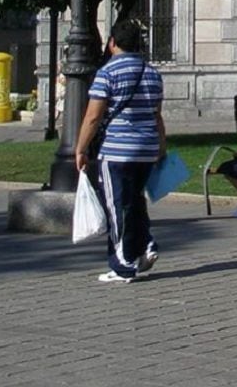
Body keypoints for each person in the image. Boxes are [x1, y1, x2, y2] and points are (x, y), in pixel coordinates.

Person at [75, 18, 165, 284]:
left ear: (112, 43)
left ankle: (123, 263)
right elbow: (157, 115)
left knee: (116, 205)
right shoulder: (152, 73)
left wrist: (81, 148)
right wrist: (161, 146)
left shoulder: (108, 72)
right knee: (135, 201)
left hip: (117, 150)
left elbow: (93, 116)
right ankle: (146, 243)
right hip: (146, 149)